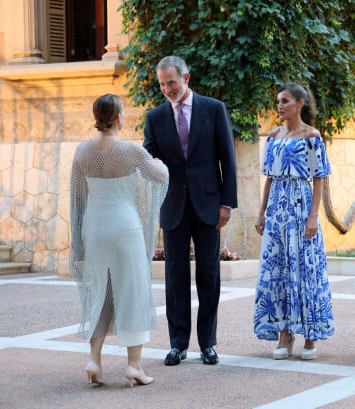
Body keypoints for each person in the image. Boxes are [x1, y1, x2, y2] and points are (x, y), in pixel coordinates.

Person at [143, 56, 238, 366]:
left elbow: (228, 158)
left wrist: (227, 202)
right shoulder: (155, 117)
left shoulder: (213, 109)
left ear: (186, 77)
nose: (167, 89)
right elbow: (148, 156)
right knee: (175, 277)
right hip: (173, 206)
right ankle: (178, 344)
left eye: (171, 82)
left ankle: (207, 343)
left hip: (209, 204)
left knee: (209, 275)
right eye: (161, 84)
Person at [69, 94, 169, 387]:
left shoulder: (82, 151)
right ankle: (134, 366)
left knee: (101, 292)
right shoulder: (131, 150)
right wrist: (160, 163)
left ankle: (94, 361)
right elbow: (159, 177)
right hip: (125, 226)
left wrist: (79, 240)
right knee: (133, 291)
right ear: (118, 117)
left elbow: (77, 197)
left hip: (94, 226)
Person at [253, 83, 335, 360]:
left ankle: (310, 336)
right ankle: (285, 335)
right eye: (278, 101)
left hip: (301, 209)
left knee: (305, 268)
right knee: (278, 270)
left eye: (285, 101)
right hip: (277, 210)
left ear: (300, 103)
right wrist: (261, 213)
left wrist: (314, 216)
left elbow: (319, 177)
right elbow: (269, 179)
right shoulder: (273, 136)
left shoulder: (312, 137)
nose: (280, 106)